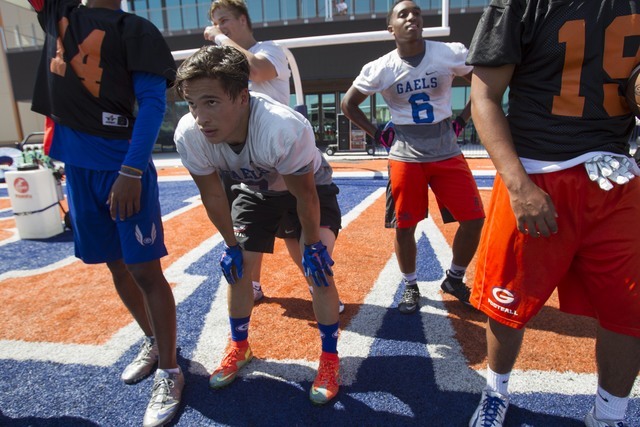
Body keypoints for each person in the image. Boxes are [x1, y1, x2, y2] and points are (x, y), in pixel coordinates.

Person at [465, 0, 640, 425]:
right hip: (538, 171)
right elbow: (484, 95)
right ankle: (496, 392)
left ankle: (608, 414)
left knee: (629, 308)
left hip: (614, 174)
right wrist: (518, 184)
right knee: (507, 302)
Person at [27, 0, 183, 426]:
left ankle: (171, 370)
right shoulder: (60, 10)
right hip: (77, 167)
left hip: (122, 166)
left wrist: (132, 169)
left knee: (145, 270)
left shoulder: (135, 28)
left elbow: (152, 104)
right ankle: (154, 339)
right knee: (115, 265)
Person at [173, 45, 342, 405]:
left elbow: (306, 198)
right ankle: (240, 346)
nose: (200, 117)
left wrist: (312, 243)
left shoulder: (282, 127)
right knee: (237, 272)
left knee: (318, 270)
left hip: (308, 191)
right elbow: (215, 196)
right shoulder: (190, 134)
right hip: (255, 190)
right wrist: (230, 244)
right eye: (192, 104)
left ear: (242, 96)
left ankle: (329, 358)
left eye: (211, 102)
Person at [341, 0, 484, 315]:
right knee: (405, 227)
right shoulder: (381, 67)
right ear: (391, 28)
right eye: (402, 14)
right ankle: (410, 284)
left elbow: (484, 85)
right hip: (406, 152)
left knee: (474, 220)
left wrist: (462, 120)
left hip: (446, 148)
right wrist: (378, 134)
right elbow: (348, 104)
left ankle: (454, 278)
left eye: (416, 12)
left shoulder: (448, 53)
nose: (411, 18)